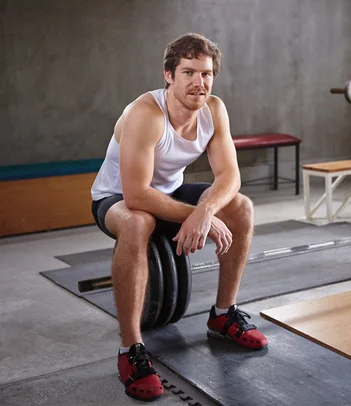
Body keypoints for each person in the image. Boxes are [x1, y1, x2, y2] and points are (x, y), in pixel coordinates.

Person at [90, 33, 268, 402]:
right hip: (117, 198)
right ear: (168, 75)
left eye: (206, 74)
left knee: (241, 207)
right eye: (188, 72)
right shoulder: (145, 113)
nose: (198, 83)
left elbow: (230, 177)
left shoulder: (214, 110)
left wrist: (204, 212)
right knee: (140, 221)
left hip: (169, 195)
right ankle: (131, 349)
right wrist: (195, 213)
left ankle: (223, 314)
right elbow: (137, 194)